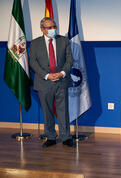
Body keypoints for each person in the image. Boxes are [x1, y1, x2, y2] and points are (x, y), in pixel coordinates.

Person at [29, 17, 74, 148]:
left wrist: (62, 73)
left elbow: (69, 59)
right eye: (49, 28)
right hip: (44, 82)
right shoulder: (35, 43)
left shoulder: (64, 40)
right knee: (47, 111)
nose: (53, 29)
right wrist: (47, 75)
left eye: (54, 26)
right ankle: (51, 137)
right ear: (42, 29)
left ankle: (66, 137)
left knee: (63, 110)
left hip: (62, 80)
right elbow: (33, 62)